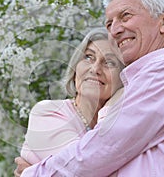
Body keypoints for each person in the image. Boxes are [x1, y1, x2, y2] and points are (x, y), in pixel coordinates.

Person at [15, 0, 164, 176]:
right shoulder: (148, 79)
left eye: (126, 16)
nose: (115, 30)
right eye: (109, 23)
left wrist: (33, 174)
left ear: (163, 22)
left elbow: (104, 148)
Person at [19, 28, 124, 166]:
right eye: (88, 57)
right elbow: (85, 167)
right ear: (75, 69)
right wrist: (111, 106)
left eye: (109, 62)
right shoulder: (47, 112)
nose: (95, 69)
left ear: (123, 77)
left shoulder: (124, 122)